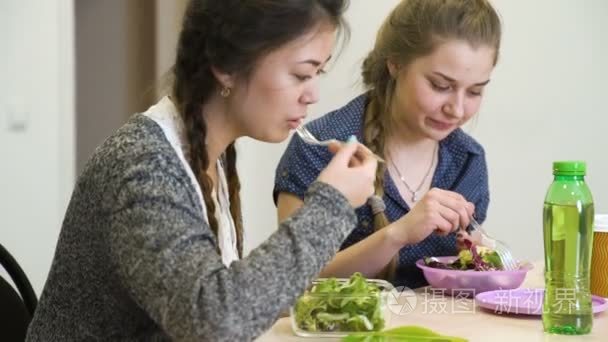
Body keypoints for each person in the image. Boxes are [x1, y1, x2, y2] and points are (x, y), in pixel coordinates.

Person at [26, 1, 378, 341]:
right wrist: (331, 203)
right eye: (301, 74)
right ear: (225, 63)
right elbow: (214, 323)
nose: (312, 94)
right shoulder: (142, 166)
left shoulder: (211, 155)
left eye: (319, 73)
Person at [275, 0, 502, 289]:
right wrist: (399, 234)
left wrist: (476, 258)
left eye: (475, 91)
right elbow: (288, 283)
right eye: (440, 86)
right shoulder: (321, 147)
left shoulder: (468, 160)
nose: (457, 110)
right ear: (395, 63)